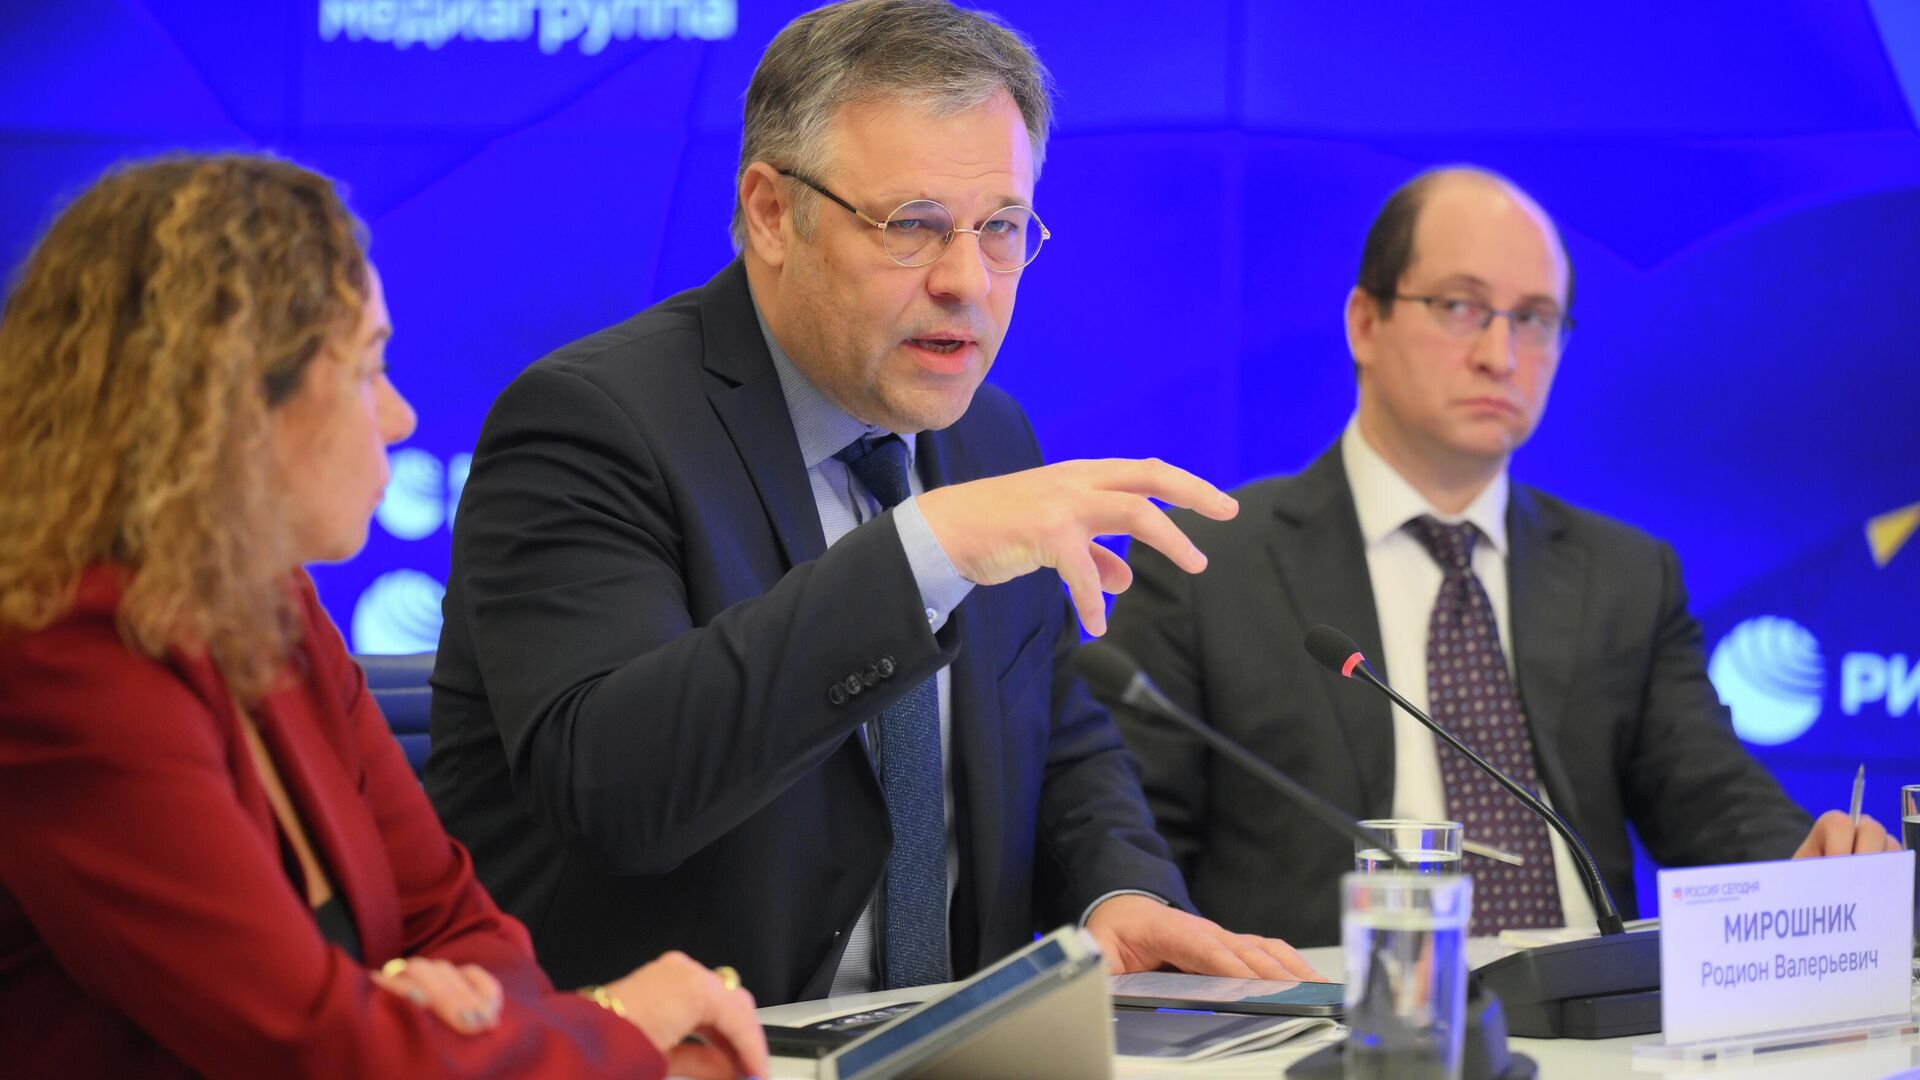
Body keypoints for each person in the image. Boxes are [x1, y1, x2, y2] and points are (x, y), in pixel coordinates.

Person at [428, 0, 1316, 1005]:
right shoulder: (591, 425)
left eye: (1001, 228)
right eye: (914, 226)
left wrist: (1119, 890)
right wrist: (925, 552)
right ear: (773, 213)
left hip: (960, 1048)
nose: (967, 280)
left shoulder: (990, 436)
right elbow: (613, 791)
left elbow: (1054, 734)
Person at [0, 155, 766, 1078]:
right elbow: (316, 1046)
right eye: (368, 368)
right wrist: (621, 1028)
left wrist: (426, 1021)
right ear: (233, 408)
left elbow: (458, 923)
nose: (400, 418)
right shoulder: (66, 665)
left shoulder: (271, 610)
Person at [1104, 166, 1895, 947]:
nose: (1502, 354)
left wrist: (1812, 868)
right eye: (1460, 307)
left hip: (1587, 1013)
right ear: (1365, 323)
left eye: (1536, 318)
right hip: (1331, 1010)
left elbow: (1715, 802)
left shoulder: (1625, 576)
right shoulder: (1206, 563)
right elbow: (1128, 838)